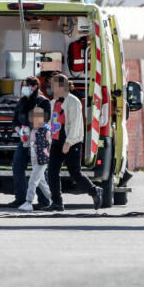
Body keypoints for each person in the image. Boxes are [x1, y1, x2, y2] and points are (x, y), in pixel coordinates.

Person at [43, 74, 103, 211]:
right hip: (57, 142)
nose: (51, 88)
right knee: (52, 172)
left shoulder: (73, 102)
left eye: (53, 85)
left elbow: (75, 123)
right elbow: (52, 123)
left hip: (72, 142)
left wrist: (69, 142)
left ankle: (94, 191)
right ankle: (57, 203)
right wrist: (50, 141)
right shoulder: (53, 102)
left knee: (75, 173)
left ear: (61, 86)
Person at [9, 76, 52, 209]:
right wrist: (20, 131)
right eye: (23, 85)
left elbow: (45, 121)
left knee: (38, 170)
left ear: (34, 87)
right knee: (17, 166)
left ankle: (45, 200)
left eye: (26, 85)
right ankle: (20, 198)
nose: (24, 88)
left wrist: (32, 131)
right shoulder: (21, 102)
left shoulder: (43, 102)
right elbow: (15, 121)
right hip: (25, 140)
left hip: (38, 140)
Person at [18, 107, 53, 212]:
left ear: (43, 118)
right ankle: (54, 199)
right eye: (34, 117)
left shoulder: (44, 130)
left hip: (41, 160)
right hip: (35, 160)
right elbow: (26, 144)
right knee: (42, 183)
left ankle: (29, 202)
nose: (37, 119)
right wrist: (24, 136)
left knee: (32, 181)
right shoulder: (33, 130)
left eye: (39, 117)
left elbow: (45, 144)